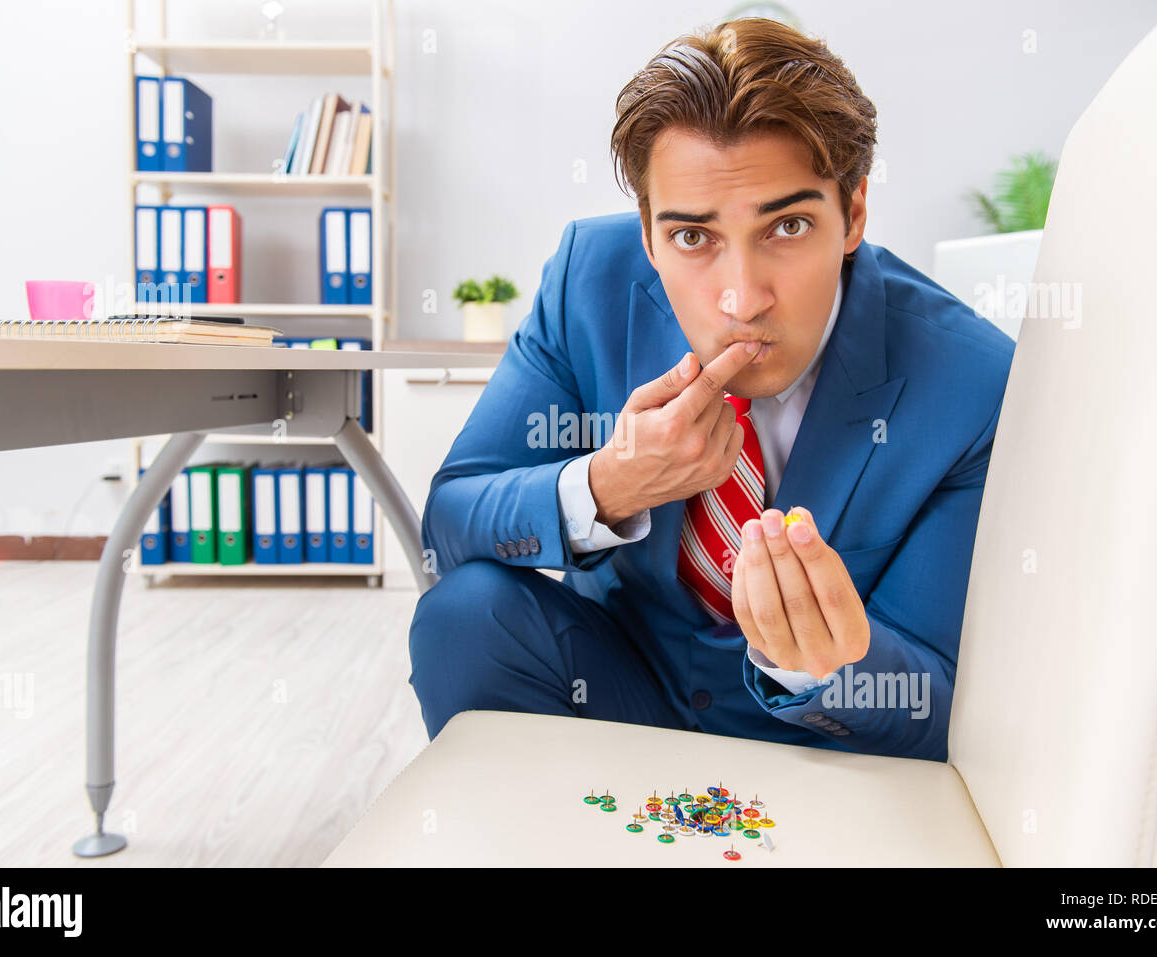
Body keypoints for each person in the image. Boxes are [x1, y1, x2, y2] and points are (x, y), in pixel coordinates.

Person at [409, 17, 1014, 762]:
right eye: (693, 237)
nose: (742, 299)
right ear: (648, 232)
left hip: (818, 751)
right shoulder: (587, 281)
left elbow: (942, 704)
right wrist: (607, 486)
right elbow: (448, 523)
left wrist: (825, 665)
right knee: (462, 616)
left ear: (853, 212)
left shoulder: (972, 382)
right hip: (616, 697)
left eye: (787, 226)